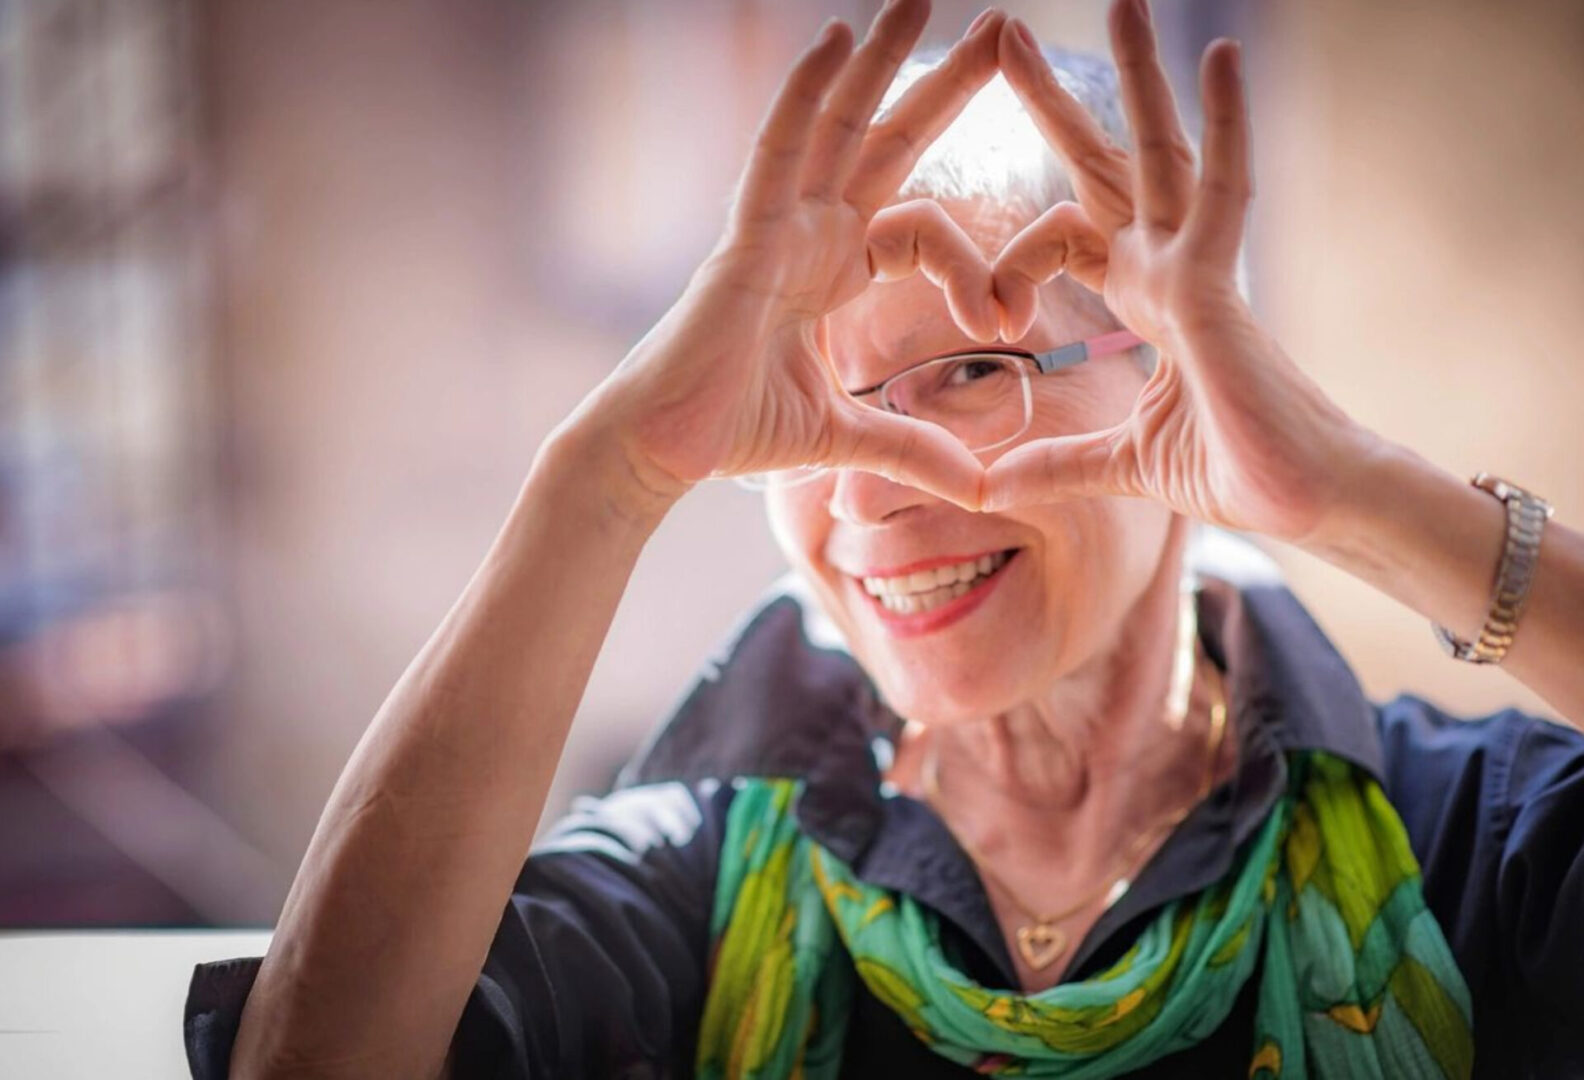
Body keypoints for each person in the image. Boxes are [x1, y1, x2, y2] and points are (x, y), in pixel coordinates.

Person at [184, 1, 1584, 1077]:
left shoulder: (1459, 840)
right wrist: (601, 481)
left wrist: (1357, 492)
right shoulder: (704, 869)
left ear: (1172, 369)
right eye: (808, 411)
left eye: (971, 370)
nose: (864, 495)